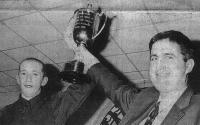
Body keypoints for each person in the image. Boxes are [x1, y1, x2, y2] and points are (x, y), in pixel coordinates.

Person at [73, 30, 200, 125]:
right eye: (154, 58)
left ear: (188, 66)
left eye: (169, 57)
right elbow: (113, 87)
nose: (159, 65)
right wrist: (81, 50)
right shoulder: (145, 97)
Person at [0, 57, 94, 125]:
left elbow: (82, 88)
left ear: (44, 81)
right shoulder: (4, 113)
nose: (28, 79)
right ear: (18, 79)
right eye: (24, 73)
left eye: (35, 74)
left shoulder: (56, 103)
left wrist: (82, 56)